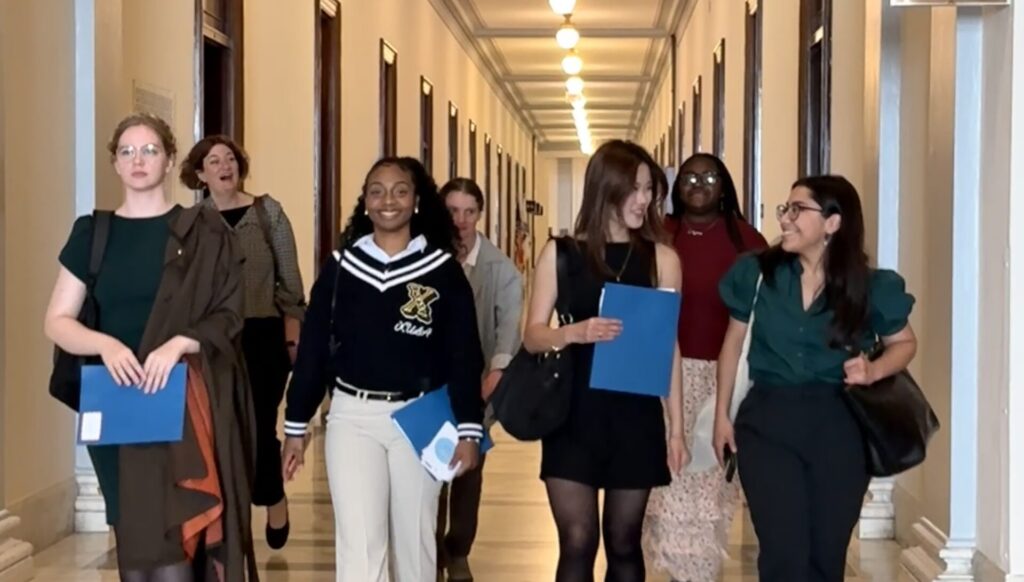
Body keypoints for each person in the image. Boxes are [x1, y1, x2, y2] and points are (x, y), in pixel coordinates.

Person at [44, 113, 258, 581]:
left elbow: (229, 313)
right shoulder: (93, 233)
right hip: (121, 407)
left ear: (169, 160)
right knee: (137, 547)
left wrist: (180, 343)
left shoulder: (204, 232)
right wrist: (106, 346)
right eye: (127, 151)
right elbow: (57, 322)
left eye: (149, 151)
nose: (137, 160)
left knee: (177, 546)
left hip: (182, 403)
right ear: (115, 164)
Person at [280, 157, 486, 582]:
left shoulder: (442, 271)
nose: (387, 200)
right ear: (365, 202)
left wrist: (469, 429)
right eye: (376, 190)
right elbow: (314, 350)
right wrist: (295, 428)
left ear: (415, 202)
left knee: (415, 544)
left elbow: (464, 356)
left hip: (420, 418)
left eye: (399, 190)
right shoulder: (341, 268)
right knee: (359, 545)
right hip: (352, 418)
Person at [714, 176, 917, 581]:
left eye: (797, 210)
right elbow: (733, 344)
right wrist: (722, 414)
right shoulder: (757, 274)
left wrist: (873, 369)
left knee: (825, 555)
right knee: (783, 553)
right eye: (784, 210)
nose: (785, 219)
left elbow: (905, 343)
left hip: (839, 425)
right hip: (767, 421)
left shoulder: (870, 286)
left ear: (833, 223)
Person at [522, 139, 688, 582]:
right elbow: (533, 335)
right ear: (605, 189)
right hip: (571, 415)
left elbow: (667, 347)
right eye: (634, 188)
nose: (645, 199)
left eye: (650, 188)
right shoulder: (560, 254)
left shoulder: (663, 260)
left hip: (635, 416)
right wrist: (574, 332)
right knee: (577, 542)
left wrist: (677, 429)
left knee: (624, 541)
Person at [643, 153, 767, 582]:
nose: (698, 184)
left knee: (707, 487)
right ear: (677, 188)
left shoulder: (749, 241)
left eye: (710, 176)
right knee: (665, 484)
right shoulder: (659, 235)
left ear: (725, 185)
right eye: (690, 177)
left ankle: (699, 573)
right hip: (662, 376)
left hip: (723, 379)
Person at [180, 135, 306, 549]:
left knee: (257, 426)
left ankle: (271, 496)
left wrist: (292, 338)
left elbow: (290, 285)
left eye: (229, 158)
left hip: (263, 337)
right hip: (214, 341)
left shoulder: (268, 213)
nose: (223, 166)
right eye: (213, 161)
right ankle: (229, 517)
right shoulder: (193, 221)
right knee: (219, 431)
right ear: (200, 174)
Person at [437, 177, 523, 581]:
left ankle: (458, 551)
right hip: (430, 385)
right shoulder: (427, 256)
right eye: (452, 211)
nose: (461, 220)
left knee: (469, 471)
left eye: (469, 212)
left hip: (476, 384)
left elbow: (508, 327)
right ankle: (428, 545)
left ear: (479, 215)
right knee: (430, 468)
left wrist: (496, 373)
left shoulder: (500, 269)